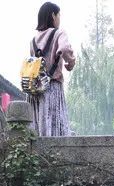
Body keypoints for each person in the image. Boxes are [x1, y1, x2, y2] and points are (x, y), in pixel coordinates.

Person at [30, 2, 77, 137]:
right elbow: (64, 49)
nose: (59, 19)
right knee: (55, 124)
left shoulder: (33, 40)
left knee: (40, 125)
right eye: (59, 15)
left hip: (37, 90)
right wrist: (71, 62)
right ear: (53, 15)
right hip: (52, 87)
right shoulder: (59, 33)